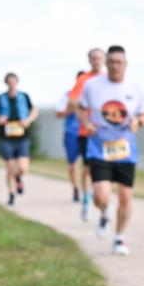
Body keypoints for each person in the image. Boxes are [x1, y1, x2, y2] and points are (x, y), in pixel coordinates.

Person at [77, 45, 144, 256]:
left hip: (125, 149)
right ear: (105, 64)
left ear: (126, 64)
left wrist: (139, 121)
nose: (115, 66)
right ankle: (104, 212)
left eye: (119, 62)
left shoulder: (136, 88)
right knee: (101, 196)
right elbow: (80, 109)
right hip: (99, 147)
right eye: (111, 62)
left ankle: (119, 237)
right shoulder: (92, 86)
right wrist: (87, 123)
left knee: (126, 196)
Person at [0, 73, 37, 206]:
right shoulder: (0, 98)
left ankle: (18, 178)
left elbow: (34, 111)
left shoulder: (24, 96)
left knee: (23, 167)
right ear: (6, 83)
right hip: (5, 137)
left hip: (22, 136)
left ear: (17, 82)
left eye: (13, 81)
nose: (11, 84)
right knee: (9, 167)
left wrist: (28, 120)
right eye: (9, 82)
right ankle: (11, 194)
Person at [68, 48, 107, 220]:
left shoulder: (109, 79)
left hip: (107, 132)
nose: (96, 61)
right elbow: (74, 102)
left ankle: (103, 199)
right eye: (93, 58)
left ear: (104, 59)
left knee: (106, 169)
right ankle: (86, 198)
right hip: (87, 131)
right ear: (89, 60)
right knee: (89, 168)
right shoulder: (84, 80)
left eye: (99, 58)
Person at [57, 70, 86, 202]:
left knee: (89, 166)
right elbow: (59, 114)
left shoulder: (94, 95)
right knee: (73, 165)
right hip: (72, 133)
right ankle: (75, 187)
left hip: (89, 134)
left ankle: (87, 190)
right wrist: (71, 107)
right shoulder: (68, 95)